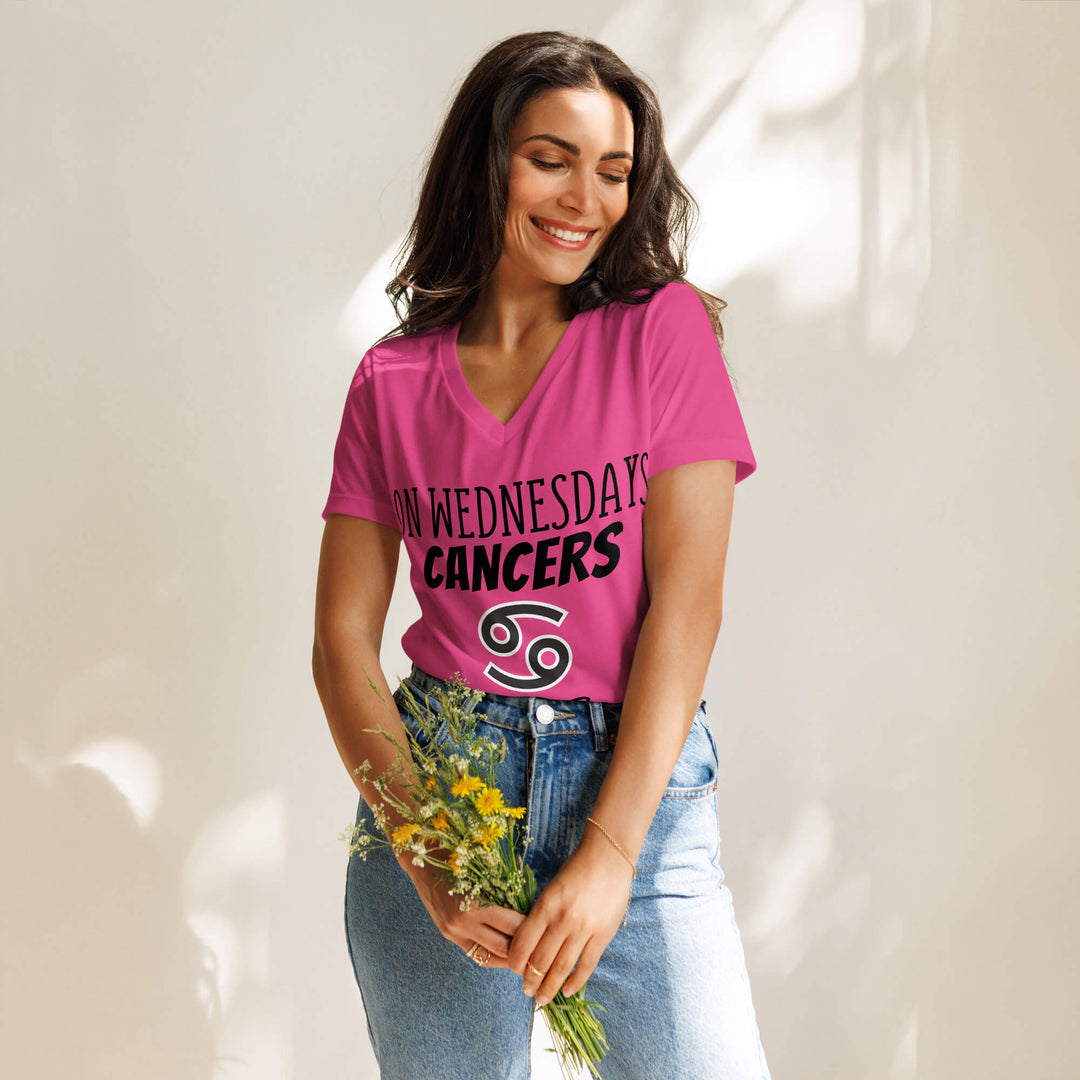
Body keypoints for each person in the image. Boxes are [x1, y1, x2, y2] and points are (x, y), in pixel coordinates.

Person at [312, 29, 772, 1080]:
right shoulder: (393, 381)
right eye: (550, 157)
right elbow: (342, 640)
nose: (586, 199)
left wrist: (612, 853)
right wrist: (427, 860)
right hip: (442, 785)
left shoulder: (662, 332)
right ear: (488, 161)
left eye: (614, 171)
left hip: (638, 794)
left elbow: (687, 607)